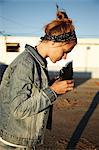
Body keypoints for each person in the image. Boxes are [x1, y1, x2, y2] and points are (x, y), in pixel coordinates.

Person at [0, 7, 77, 150]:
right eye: (65, 51)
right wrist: (52, 91)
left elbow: (31, 93)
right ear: (54, 43)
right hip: (14, 143)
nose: (65, 57)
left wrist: (51, 86)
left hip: (23, 139)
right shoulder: (26, 64)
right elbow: (19, 109)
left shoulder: (37, 62)